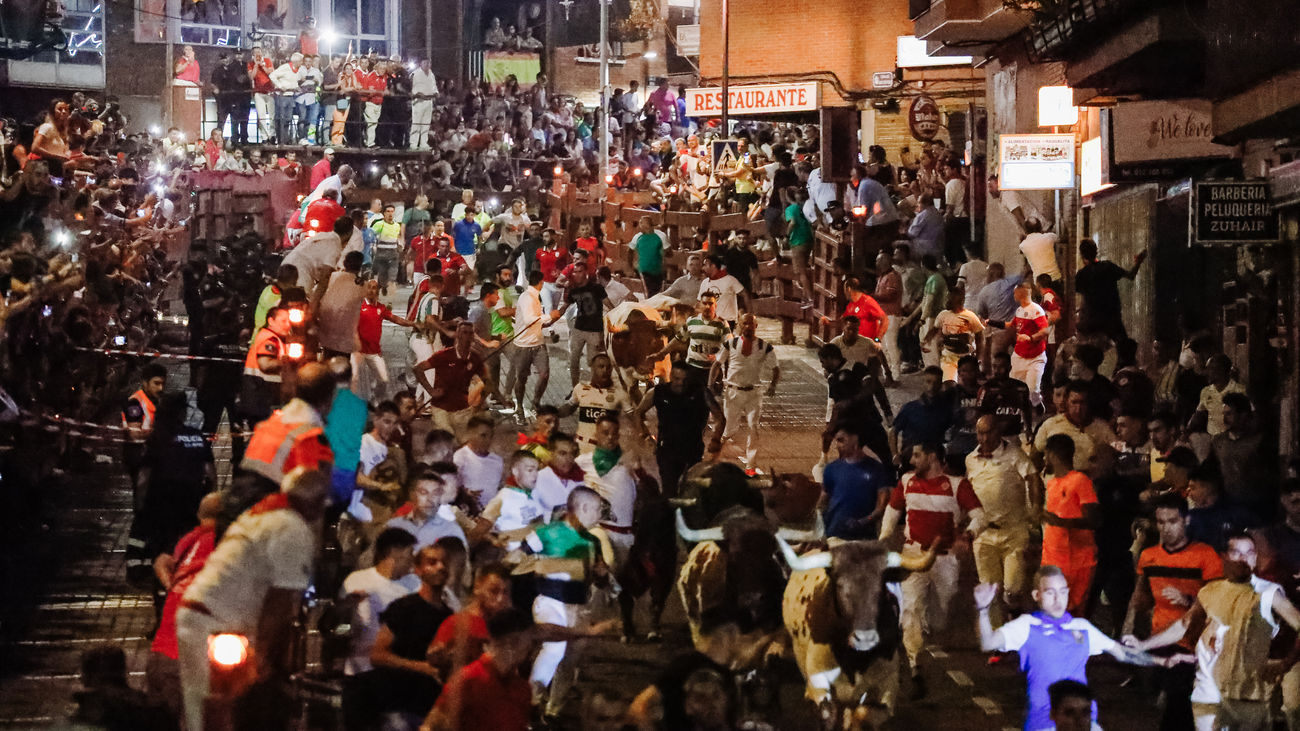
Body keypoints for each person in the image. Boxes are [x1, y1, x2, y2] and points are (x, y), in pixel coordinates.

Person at [176, 468, 330, 731]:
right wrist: (264, 655)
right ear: (315, 502)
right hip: (222, 622)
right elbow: (280, 600)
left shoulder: (261, 514)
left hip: (200, 613)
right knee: (224, 709)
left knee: (202, 709)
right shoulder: (293, 528)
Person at [1128, 532, 1300, 731]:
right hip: (1209, 691)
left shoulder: (1269, 593)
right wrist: (1143, 645)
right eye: (1237, 553)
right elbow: (1185, 625)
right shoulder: (1210, 591)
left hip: (1249, 695)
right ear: (1224, 557)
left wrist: (1286, 663)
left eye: (1250, 553)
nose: (1244, 559)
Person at [975, 566, 1156, 731]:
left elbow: (1122, 653)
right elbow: (988, 643)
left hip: (1083, 722)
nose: (1058, 599)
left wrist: (1162, 661)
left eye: (1062, 592)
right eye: (1050, 593)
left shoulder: (1082, 627)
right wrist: (983, 610)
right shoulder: (1026, 626)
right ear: (1036, 595)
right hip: (1043, 724)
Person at [880, 441, 985, 696]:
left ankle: (923, 628)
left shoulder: (957, 485)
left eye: (917, 455)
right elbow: (893, 512)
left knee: (940, 617)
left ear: (933, 457)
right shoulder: (906, 481)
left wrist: (968, 536)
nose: (912, 460)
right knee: (910, 610)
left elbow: (980, 516)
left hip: (944, 558)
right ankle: (915, 666)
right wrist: (883, 540)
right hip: (913, 554)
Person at [1121, 494, 1223, 730]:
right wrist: (1132, 624)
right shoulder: (1149, 556)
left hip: (1193, 639)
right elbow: (1140, 594)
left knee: (1178, 700)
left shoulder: (1205, 555)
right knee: (1172, 700)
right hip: (1161, 635)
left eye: (1172, 521)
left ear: (1186, 520)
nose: (1165, 528)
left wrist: (1187, 599)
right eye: (1161, 522)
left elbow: (1218, 600)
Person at [521, 487, 609, 718]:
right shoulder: (544, 533)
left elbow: (600, 581)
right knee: (554, 649)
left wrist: (601, 575)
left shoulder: (593, 541)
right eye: (598, 509)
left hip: (579, 606)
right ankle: (530, 702)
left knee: (571, 659)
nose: (600, 514)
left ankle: (553, 710)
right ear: (584, 508)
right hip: (549, 601)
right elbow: (518, 559)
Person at [145, 492, 222, 723]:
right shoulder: (229, 544)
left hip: (163, 654)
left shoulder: (187, 542)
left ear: (199, 516)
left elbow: (164, 561)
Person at [340, 527, 419, 727]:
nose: (412, 561)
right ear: (393, 552)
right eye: (409, 553)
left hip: (396, 675)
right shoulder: (358, 580)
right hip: (360, 672)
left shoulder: (415, 585)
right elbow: (341, 624)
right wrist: (350, 604)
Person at [370, 542, 455, 730]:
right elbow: (378, 655)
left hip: (431, 711)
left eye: (444, 562)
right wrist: (422, 667)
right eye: (432, 562)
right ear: (418, 570)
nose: (440, 567)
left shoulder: (450, 616)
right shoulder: (404, 608)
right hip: (399, 706)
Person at [965, 415, 1036, 620]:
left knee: (1013, 589)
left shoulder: (1015, 455)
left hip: (1013, 530)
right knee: (989, 590)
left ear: (998, 432)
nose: (985, 438)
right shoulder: (971, 459)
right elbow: (968, 490)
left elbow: (1031, 477)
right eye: (981, 433)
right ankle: (999, 638)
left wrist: (1035, 508)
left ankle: (1015, 621)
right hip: (984, 533)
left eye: (989, 432)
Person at [421, 607, 537, 731]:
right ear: (512, 642)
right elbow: (431, 726)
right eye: (529, 642)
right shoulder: (468, 680)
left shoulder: (522, 689)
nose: (531, 648)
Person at [635, 362, 724, 498]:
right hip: (667, 450)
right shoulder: (658, 392)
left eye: (685, 380)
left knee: (692, 490)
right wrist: (646, 436)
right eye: (677, 379)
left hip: (693, 450)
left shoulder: (701, 392)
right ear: (671, 376)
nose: (681, 383)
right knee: (669, 491)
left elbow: (720, 418)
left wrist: (716, 439)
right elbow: (637, 413)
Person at [709, 313, 779, 472]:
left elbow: (775, 368)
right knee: (728, 428)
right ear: (740, 325)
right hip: (733, 392)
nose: (748, 327)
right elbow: (717, 364)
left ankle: (751, 465)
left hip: (753, 393)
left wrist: (773, 386)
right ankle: (715, 456)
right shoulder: (730, 344)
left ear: (756, 326)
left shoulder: (764, 346)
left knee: (753, 427)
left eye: (751, 324)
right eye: (744, 324)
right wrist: (710, 383)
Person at [1040, 434, 1100, 614]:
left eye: (1045, 454)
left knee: (1072, 613)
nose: (1044, 459)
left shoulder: (1080, 481)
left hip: (1077, 561)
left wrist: (1063, 522)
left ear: (1051, 454)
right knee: (1052, 611)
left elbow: (1095, 519)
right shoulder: (1051, 484)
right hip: (1052, 558)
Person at [412, 320, 487, 436]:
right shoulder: (443, 355)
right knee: (448, 437)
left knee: (465, 442)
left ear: (473, 336)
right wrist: (430, 390)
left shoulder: (475, 358)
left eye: (470, 333)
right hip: (441, 408)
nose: (466, 336)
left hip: (463, 409)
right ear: (457, 334)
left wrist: (479, 402)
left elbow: (486, 381)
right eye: (463, 333)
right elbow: (418, 369)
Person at [821, 423, 893, 540]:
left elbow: (881, 507)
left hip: (864, 540)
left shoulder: (876, 469)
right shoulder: (831, 469)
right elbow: (823, 501)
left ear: (855, 439)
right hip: (834, 536)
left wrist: (863, 522)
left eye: (841, 440)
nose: (837, 445)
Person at [509, 270, 560, 419]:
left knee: (544, 374)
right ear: (541, 283)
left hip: (538, 343)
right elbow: (529, 320)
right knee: (521, 378)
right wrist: (549, 316)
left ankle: (535, 402)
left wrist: (548, 320)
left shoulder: (534, 297)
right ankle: (519, 407)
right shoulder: (527, 298)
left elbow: (536, 321)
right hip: (523, 345)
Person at [1074, 239, 1146, 340]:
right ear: (1096, 251)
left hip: (1091, 321)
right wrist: (1138, 262)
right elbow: (1131, 275)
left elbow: (1080, 293)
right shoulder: (1108, 267)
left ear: (1082, 255)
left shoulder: (1081, 275)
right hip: (1112, 319)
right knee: (1124, 346)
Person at [560, 353, 633, 454]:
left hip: (606, 451)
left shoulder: (619, 393)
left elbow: (633, 417)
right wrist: (552, 413)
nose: (605, 371)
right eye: (601, 367)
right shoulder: (580, 388)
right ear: (592, 369)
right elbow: (568, 408)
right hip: (582, 448)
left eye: (608, 368)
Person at [387, 467, 469, 549]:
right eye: (423, 493)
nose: (430, 499)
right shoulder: (395, 526)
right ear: (412, 495)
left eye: (435, 494)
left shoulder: (452, 530)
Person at [560, 261, 610, 387]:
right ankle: (575, 389)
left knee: (593, 362)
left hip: (594, 331)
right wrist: (550, 319)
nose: (576, 275)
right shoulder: (573, 290)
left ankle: (594, 388)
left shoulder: (597, 288)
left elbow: (609, 305)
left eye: (579, 271)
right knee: (573, 361)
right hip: (578, 329)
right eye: (574, 272)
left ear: (586, 273)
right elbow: (565, 307)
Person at [924, 286, 983, 382]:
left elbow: (979, 337)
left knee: (965, 382)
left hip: (965, 356)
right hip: (949, 355)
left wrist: (978, 358)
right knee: (948, 382)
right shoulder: (943, 315)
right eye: (947, 298)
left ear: (960, 300)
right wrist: (926, 340)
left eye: (950, 298)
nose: (947, 301)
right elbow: (935, 329)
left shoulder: (970, 316)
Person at [1007, 280, 1050, 406]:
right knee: (1014, 388)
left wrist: (1030, 338)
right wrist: (989, 322)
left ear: (1021, 293)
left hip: (1035, 357)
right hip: (1019, 356)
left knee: (1032, 390)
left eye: (1015, 293)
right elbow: (1011, 325)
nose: (1013, 295)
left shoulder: (1036, 310)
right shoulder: (1019, 310)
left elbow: (1045, 330)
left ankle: (1037, 409)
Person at [454, 416, 504, 509]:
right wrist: (465, 494)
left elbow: (500, 488)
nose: (488, 440)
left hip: (493, 514)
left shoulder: (497, 461)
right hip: (468, 513)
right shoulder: (460, 457)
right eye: (483, 435)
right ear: (470, 434)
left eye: (490, 436)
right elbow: (453, 486)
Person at [699, 254, 748, 329]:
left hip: (727, 321)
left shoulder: (730, 280)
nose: (703, 268)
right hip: (709, 320)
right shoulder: (704, 282)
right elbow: (699, 301)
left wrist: (748, 314)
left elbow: (745, 294)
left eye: (705, 265)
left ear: (713, 266)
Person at [370, 204, 404, 296]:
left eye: (392, 211)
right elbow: (371, 235)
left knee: (393, 273)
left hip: (393, 253)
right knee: (382, 273)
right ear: (384, 213)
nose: (390, 214)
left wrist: (400, 245)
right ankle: (383, 286)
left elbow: (398, 237)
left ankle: (391, 293)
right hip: (381, 252)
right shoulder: (379, 224)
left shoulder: (397, 225)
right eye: (388, 211)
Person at [631, 215, 668, 294]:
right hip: (645, 269)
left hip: (658, 270)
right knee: (650, 291)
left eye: (641, 223)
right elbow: (668, 252)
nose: (639, 226)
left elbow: (629, 251)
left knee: (657, 292)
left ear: (645, 225)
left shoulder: (660, 236)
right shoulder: (638, 237)